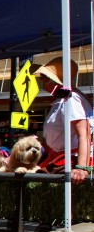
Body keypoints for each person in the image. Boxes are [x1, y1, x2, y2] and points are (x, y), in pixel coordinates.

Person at [31, 56, 93, 184]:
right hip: (58, 158)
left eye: (45, 77)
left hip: (69, 161)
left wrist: (82, 168)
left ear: (56, 80)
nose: (41, 79)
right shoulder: (61, 99)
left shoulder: (72, 98)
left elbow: (84, 134)